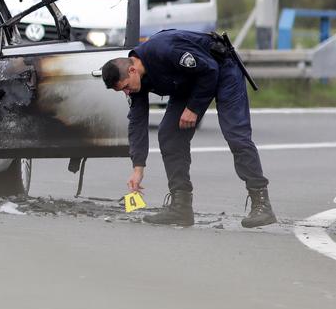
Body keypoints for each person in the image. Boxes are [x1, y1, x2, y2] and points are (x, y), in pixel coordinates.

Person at [98, 29, 276, 228]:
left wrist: (193, 108)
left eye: (125, 87)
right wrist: (137, 168)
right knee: (169, 135)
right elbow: (137, 122)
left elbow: (210, 70)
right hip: (190, 81)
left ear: (132, 70)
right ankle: (180, 207)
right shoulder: (136, 81)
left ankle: (262, 204)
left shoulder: (165, 50)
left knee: (236, 134)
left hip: (222, 69)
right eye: (122, 90)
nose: (126, 92)